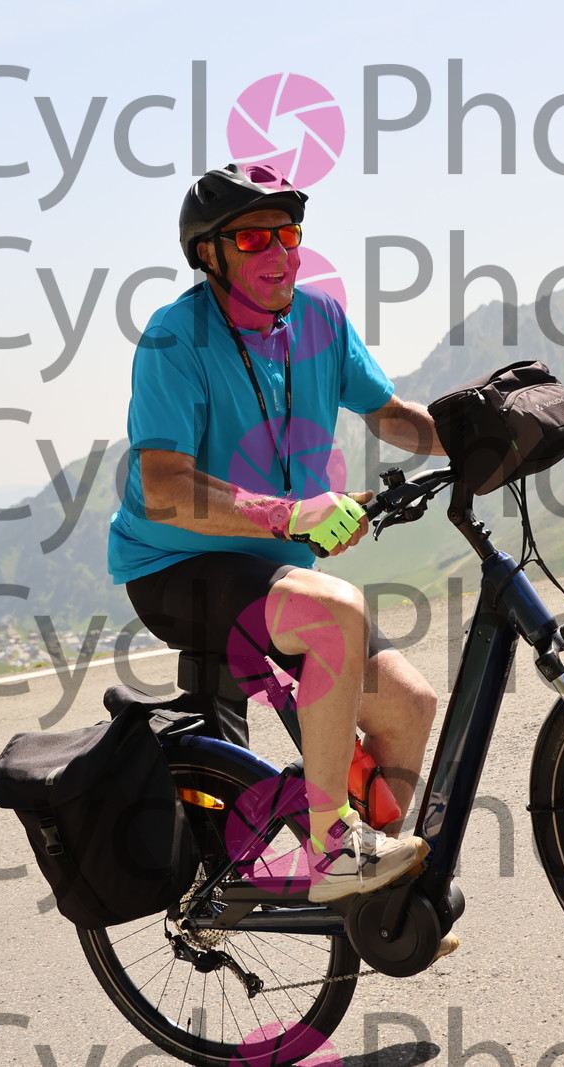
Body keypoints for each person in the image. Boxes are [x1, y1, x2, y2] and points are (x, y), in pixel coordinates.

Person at [109, 164, 450, 916]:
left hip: (277, 571)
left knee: (409, 706)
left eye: (288, 233)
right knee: (335, 612)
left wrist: (475, 435)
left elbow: (390, 414)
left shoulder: (321, 320)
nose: (280, 252)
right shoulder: (174, 339)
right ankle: (334, 847)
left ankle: (376, 906)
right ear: (208, 254)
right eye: (253, 238)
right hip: (176, 564)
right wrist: (290, 516)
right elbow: (164, 484)